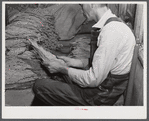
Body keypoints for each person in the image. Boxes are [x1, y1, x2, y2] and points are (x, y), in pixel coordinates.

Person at [32, 4, 136, 106]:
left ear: (92, 4)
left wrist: (63, 69)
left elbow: (93, 79)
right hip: (101, 84)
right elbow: (103, 62)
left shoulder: (112, 32)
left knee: (40, 86)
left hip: (100, 96)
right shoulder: (111, 24)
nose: (81, 10)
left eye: (82, 5)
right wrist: (74, 62)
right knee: (59, 74)